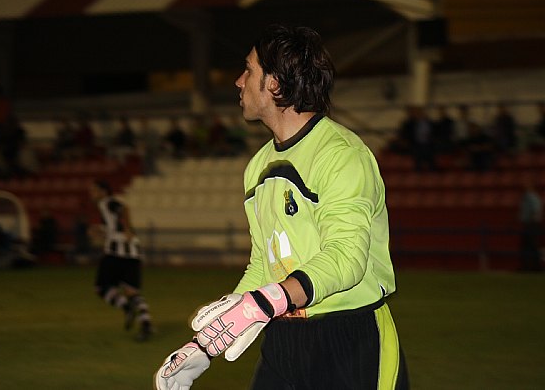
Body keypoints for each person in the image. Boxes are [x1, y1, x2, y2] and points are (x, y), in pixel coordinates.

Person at [155, 24, 408, 389]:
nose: (239, 81)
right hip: (284, 341)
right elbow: (263, 265)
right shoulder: (257, 167)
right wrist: (205, 345)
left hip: (351, 339)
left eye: (249, 71)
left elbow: (347, 257)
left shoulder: (341, 155)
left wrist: (269, 300)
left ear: (274, 84)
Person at [89, 179, 152, 341]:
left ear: (103, 191)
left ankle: (126, 307)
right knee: (133, 292)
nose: (92, 194)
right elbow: (114, 225)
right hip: (133, 252)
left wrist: (127, 228)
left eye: (94, 190)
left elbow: (124, 209)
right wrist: (101, 231)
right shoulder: (106, 207)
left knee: (101, 288)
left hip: (116, 252)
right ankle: (146, 325)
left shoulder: (106, 202)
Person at [518, 178, 543, 272]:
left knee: (533, 246)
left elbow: (536, 211)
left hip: (532, 224)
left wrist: (532, 223)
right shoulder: (525, 197)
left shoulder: (532, 197)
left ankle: (537, 267)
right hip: (528, 224)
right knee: (526, 246)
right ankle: (526, 267)